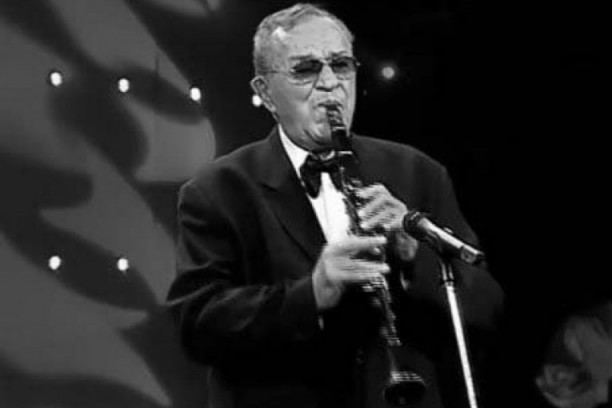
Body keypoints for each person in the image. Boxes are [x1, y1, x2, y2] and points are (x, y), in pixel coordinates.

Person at [167, 3, 504, 408]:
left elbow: (486, 306)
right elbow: (198, 325)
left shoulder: (416, 171)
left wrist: (414, 255)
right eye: (306, 70)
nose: (330, 84)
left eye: (341, 65)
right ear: (265, 92)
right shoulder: (219, 190)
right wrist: (313, 292)